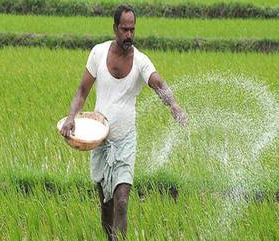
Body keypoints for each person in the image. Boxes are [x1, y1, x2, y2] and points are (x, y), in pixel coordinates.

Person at [60, 4, 187, 240]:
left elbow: (158, 83)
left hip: (125, 140)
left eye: (132, 30)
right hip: (99, 140)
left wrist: (173, 105)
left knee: (121, 200)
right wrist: (70, 118)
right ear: (115, 28)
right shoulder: (98, 53)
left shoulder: (141, 61)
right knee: (106, 204)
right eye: (124, 29)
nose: (129, 35)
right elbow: (82, 91)